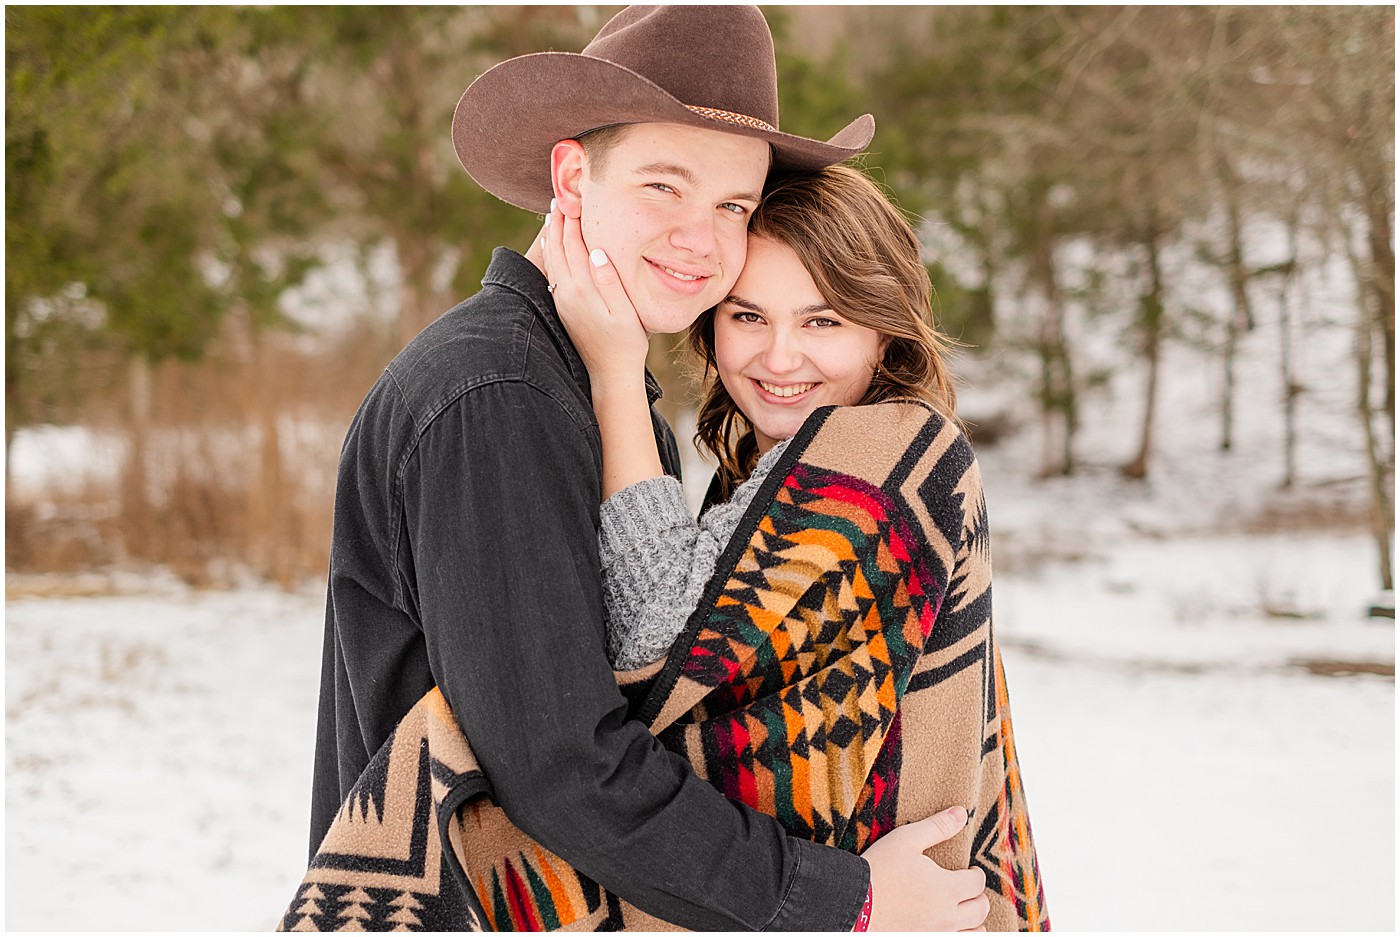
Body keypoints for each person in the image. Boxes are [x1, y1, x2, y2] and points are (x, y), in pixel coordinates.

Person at [293, 5, 991, 933]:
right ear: (573, 176)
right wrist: (844, 899)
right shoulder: (500, 395)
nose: (701, 239)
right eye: (666, 186)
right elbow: (563, 766)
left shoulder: (592, 386)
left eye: (733, 206)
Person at [543, 164, 1050, 931]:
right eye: (749, 317)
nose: (780, 359)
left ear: (884, 333)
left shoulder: (891, 449)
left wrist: (614, 374)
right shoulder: (757, 474)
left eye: (823, 322)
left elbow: (660, 640)